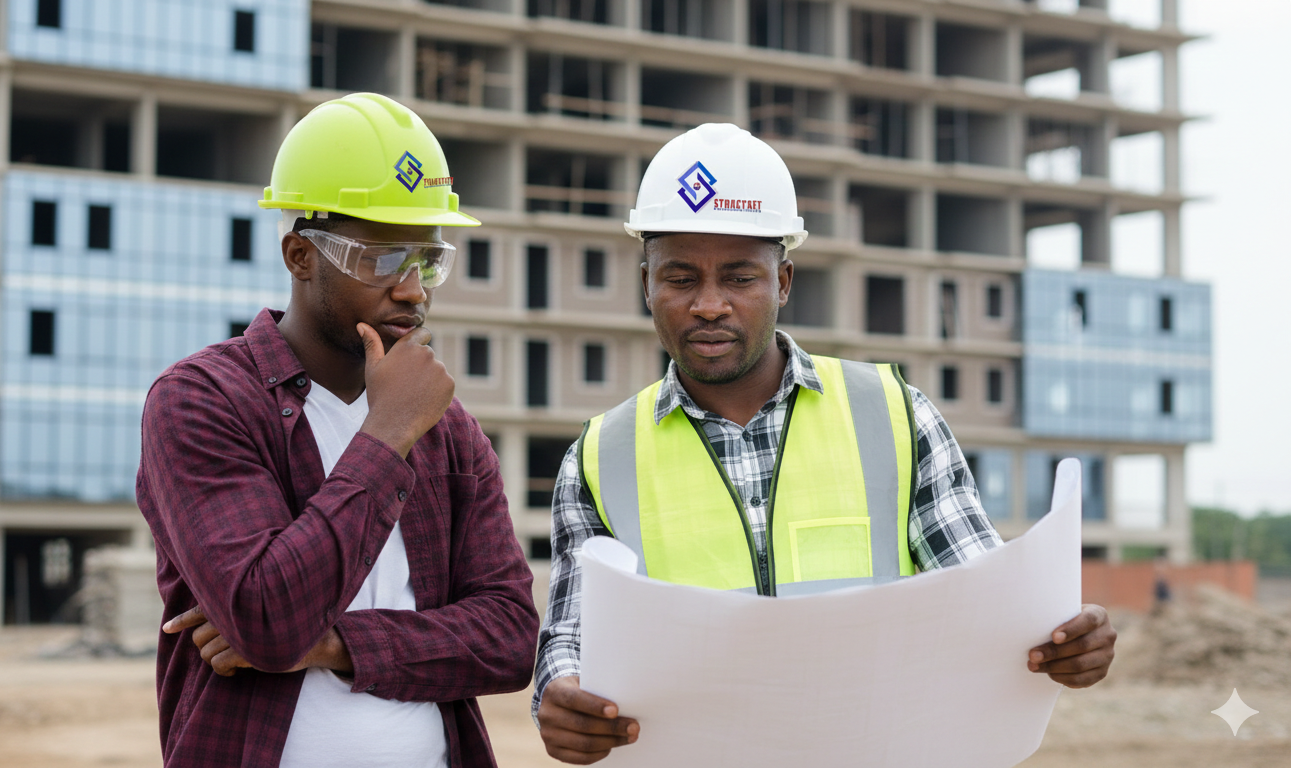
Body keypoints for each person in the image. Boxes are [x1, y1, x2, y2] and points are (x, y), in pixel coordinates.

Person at [533, 123, 1117, 764]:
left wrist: (1058, 640)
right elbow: (573, 634)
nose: (709, 305)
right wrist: (560, 696)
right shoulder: (598, 458)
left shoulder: (894, 416)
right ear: (644, 282)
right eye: (679, 279)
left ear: (783, 281)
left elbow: (979, 593)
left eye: (739, 278)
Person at [138, 93, 538, 768]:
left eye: (428, 259)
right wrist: (386, 435)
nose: (412, 289)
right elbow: (267, 619)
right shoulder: (202, 401)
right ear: (300, 256)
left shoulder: (445, 428)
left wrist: (335, 644)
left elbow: (509, 637)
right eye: (382, 259)